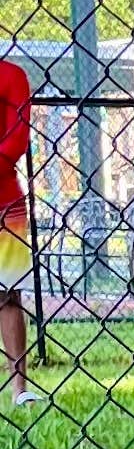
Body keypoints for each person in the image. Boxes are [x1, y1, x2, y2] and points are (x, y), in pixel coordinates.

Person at [0, 54, 35, 404]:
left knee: (7, 295)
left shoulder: (11, 76)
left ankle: (18, 388)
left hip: (4, 203)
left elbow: (16, 141)